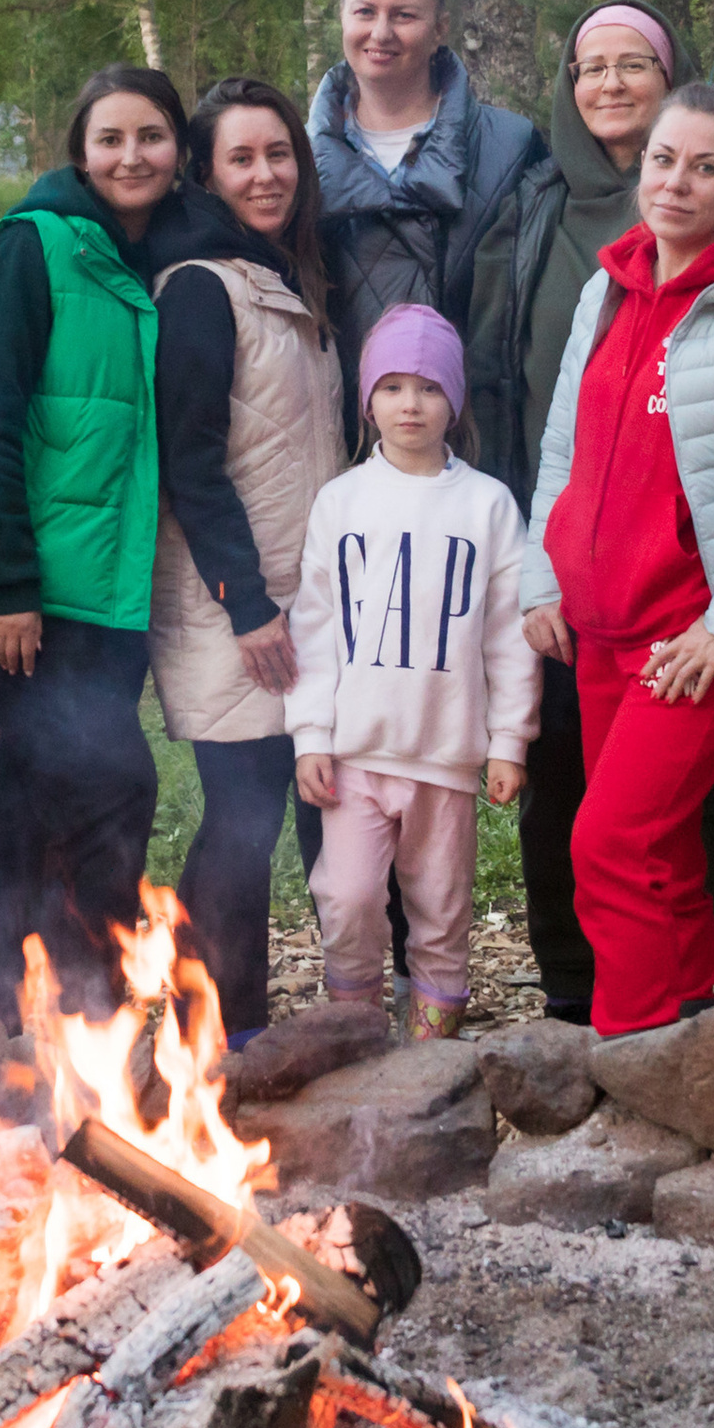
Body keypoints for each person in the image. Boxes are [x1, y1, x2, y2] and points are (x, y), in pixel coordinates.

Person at [522, 84, 714, 1037]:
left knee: (611, 842)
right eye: (664, 159)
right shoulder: (607, 285)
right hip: (598, 624)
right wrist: (544, 579)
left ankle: (631, 1052)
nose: (676, 182)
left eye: (706, 168)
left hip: (692, 631)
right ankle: (691, 1024)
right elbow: (561, 455)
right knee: (656, 853)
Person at [0, 64, 194, 1021]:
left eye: (151, 136)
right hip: (22, 589)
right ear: (79, 152)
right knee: (114, 780)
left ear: (179, 152)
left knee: (35, 797)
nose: (131, 155)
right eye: (110, 138)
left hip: (102, 591)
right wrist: (10, 588)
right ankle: (100, 995)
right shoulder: (30, 251)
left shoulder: (135, 262)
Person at [465, 0, 714, 1027]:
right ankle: (575, 986)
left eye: (634, 66)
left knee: (668, 779)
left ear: (674, 84)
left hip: (674, 552)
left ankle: (676, 994)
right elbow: (498, 362)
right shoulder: (533, 202)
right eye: (590, 68)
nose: (610, 85)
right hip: (557, 533)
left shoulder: (704, 196)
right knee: (560, 761)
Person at [150, 78, 346, 1046]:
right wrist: (247, 603)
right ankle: (216, 1038)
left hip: (305, 600)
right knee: (240, 819)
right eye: (241, 158)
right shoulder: (199, 284)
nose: (265, 174)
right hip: (238, 602)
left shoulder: (284, 275)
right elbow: (188, 461)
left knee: (305, 805)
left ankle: (299, 1021)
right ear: (207, 172)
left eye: (279, 155)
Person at [286, 308, 539, 1039]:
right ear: (368, 399)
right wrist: (310, 736)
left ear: (454, 402)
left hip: (446, 755)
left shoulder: (488, 505)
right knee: (350, 896)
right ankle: (355, 1033)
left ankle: (433, 1059)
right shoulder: (341, 502)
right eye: (392, 386)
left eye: (428, 388)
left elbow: (509, 637)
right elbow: (316, 626)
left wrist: (508, 742)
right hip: (357, 753)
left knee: (441, 901)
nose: (409, 404)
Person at [310, 0, 544, 424]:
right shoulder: (293, 161)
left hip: (474, 446)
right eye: (364, 12)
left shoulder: (512, 146)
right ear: (343, 20)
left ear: (440, 29)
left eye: (404, 16)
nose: (381, 32)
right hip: (342, 446)